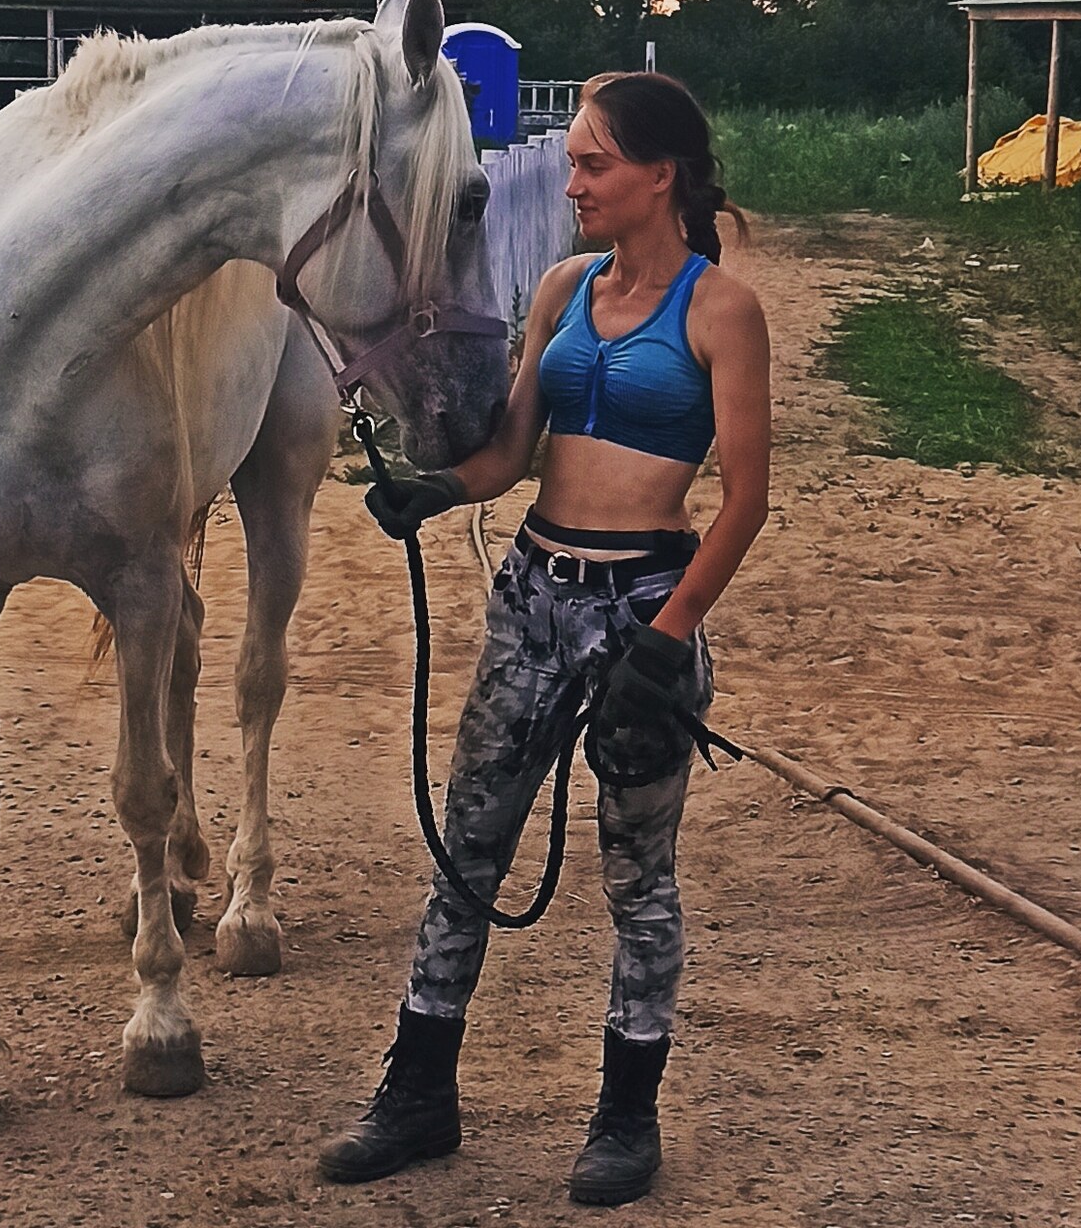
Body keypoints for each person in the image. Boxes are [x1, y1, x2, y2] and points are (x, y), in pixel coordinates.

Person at [318, 71, 772, 1208]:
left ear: (657, 175)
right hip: (533, 595)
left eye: (591, 162)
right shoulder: (562, 289)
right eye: (571, 160)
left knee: (636, 873)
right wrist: (430, 488)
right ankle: (417, 1090)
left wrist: (667, 645)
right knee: (467, 845)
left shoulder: (721, 311)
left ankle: (626, 1116)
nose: (570, 180)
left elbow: (744, 500)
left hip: (641, 611)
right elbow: (510, 452)